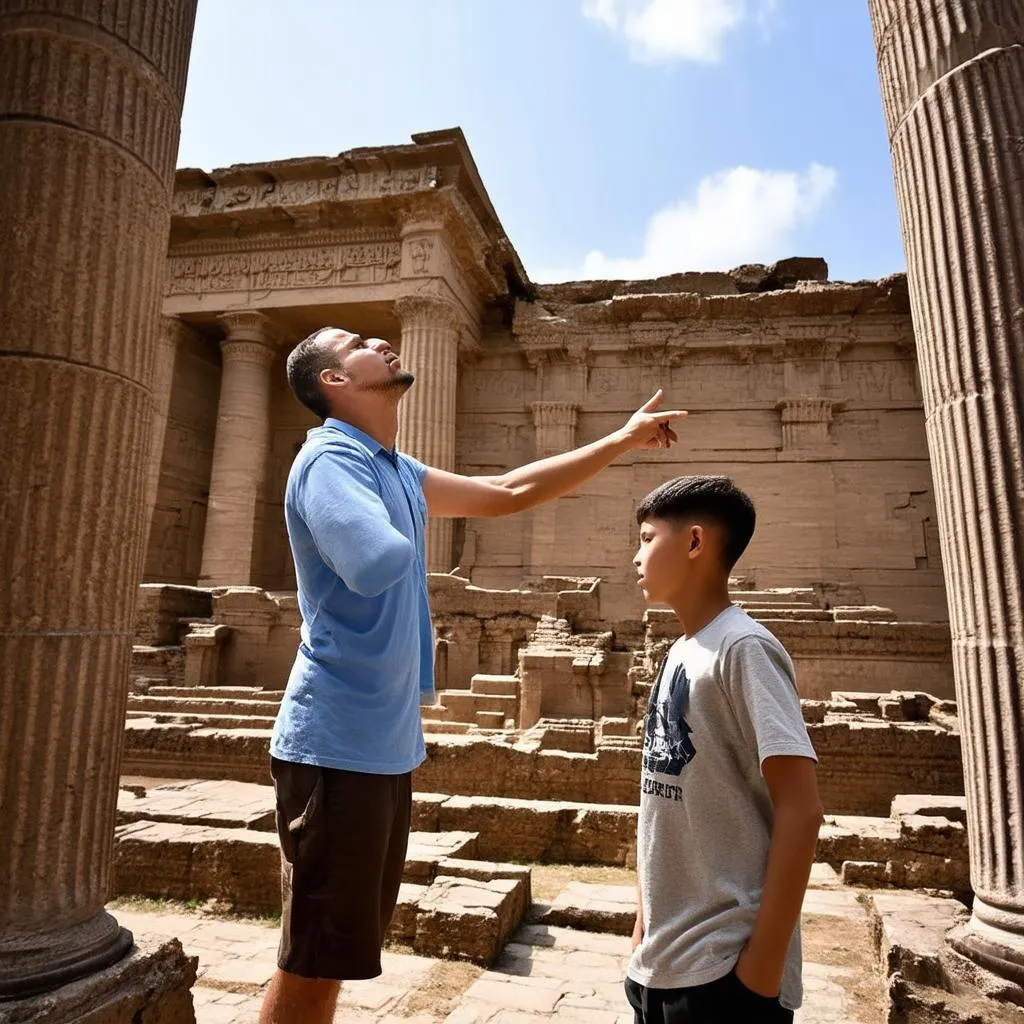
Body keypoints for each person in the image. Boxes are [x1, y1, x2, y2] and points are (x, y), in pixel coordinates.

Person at [259, 325, 687, 1024]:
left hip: (376, 747)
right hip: (333, 747)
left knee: (327, 958)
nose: (381, 339)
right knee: (309, 964)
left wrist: (622, 440)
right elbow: (374, 561)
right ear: (333, 382)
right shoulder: (332, 460)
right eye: (357, 341)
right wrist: (396, 521)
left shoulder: (389, 467)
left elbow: (510, 490)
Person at [627, 476, 823, 1024]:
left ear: (694, 543)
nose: (635, 556)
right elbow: (662, 798)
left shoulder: (746, 649)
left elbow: (801, 808)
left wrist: (762, 966)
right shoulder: (679, 653)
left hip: (724, 970)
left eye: (646, 538)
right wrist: (644, 918)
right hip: (660, 959)